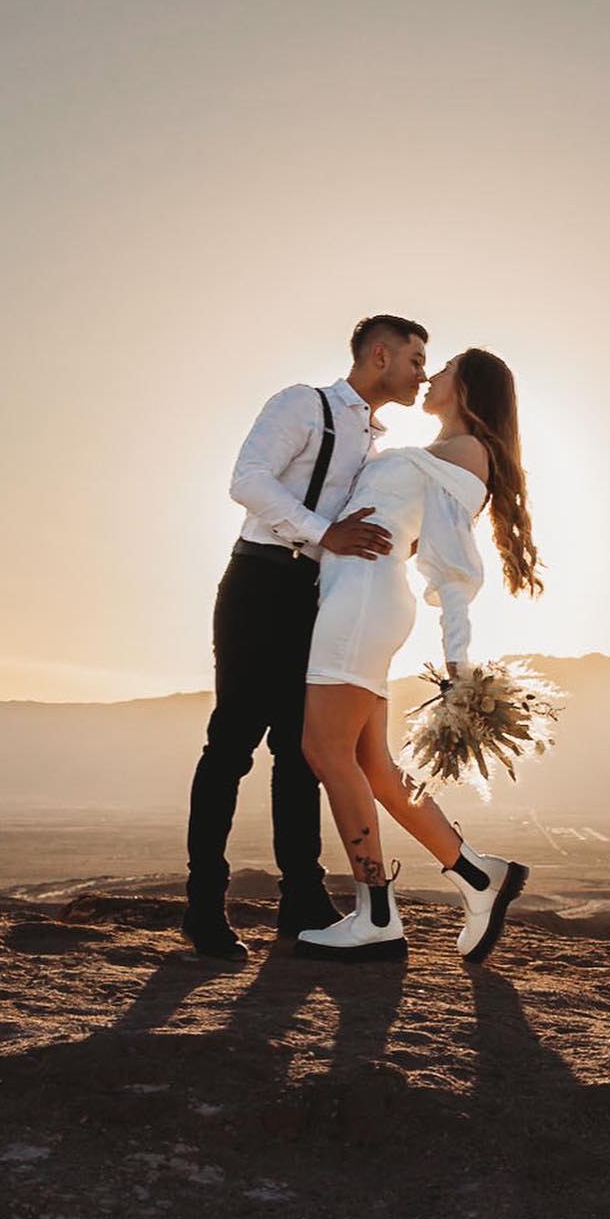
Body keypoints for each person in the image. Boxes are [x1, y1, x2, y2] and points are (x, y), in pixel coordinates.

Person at [182, 315, 430, 961]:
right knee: (232, 744)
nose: (422, 373)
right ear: (380, 355)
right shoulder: (303, 404)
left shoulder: (377, 452)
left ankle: (303, 901)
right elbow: (247, 480)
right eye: (415, 358)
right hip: (259, 584)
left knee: (305, 753)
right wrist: (324, 533)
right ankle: (204, 907)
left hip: (317, 602)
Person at [295, 347, 543, 965]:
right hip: (358, 601)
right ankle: (478, 875)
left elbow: (453, 564)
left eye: (446, 368)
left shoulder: (465, 454)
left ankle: (375, 911)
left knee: (325, 752)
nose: (431, 376)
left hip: (361, 609)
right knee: (372, 765)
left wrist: (458, 659)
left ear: (469, 388)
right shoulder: (445, 451)